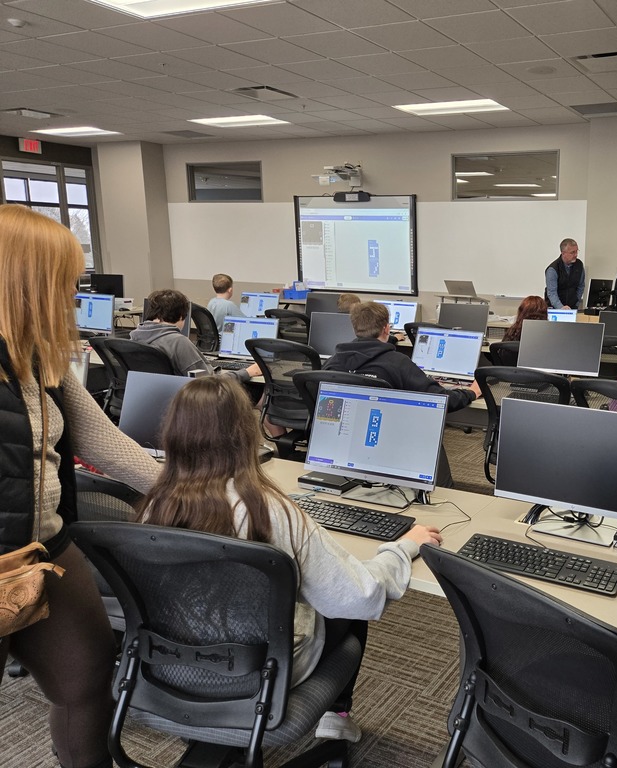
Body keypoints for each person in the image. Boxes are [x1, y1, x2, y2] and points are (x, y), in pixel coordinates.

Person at [140, 375, 443, 742]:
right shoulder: (270, 511)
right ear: (245, 433)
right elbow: (358, 596)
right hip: (259, 676)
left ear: (174, 432)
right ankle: (336, 717)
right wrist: (402, 547)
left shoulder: (156, 506)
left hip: (171, 669)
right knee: (345, 597)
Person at [0, 204, 163, 768]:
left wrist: (203, 489)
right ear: (25, 281)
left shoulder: (39, 359)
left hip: (45, 546)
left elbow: (105, 445)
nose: (75, 294)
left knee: (87, 678)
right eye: (66, 281)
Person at [324, 301, 481, 411]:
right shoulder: (398, 363)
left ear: (355, 329)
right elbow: (440, 399)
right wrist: (471, 392)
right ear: (386, 329)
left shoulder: (333, 362)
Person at [131, 289, 260, 381]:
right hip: (187, 402)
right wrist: (246, 372)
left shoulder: (134, 337)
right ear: (181, 316)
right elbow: (209, 383)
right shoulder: (178, 342)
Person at [544, 238, 585, 309]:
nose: (576, 255)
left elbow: (581, 286)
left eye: (576, 251)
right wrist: (561, 307)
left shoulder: (579, 265)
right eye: (572, 252)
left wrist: (576, 303)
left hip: (572, 307)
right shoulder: (553, 269)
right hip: (555, 308)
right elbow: (552, 293)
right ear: (563, 253)